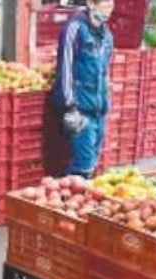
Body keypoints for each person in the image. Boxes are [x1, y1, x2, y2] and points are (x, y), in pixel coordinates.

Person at [52, 0, 114, 177]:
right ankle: (66, 190)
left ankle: (73, 190)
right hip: (80, 109)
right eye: (105, 3)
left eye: (111, 3)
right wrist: (70, 106)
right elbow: (65, 69)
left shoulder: (106, 35)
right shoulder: (75, 29)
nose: (109, 8)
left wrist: (106, 102)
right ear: (91, 4)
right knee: (84, 165)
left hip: (99, 110)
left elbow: (105, 72)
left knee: (93, 161)